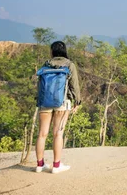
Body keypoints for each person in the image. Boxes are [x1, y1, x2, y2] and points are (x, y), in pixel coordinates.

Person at [35, 41, 81, 174]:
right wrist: (77, 102)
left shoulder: (46, 64)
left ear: (52, 51)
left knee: (42, 134)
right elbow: (75, 85)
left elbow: (40, 85)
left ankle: (39, 165)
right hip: (63, 103)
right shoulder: (69, 65)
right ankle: (56, 165)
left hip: (45, 103)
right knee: (58, 134)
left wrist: (39, 101)